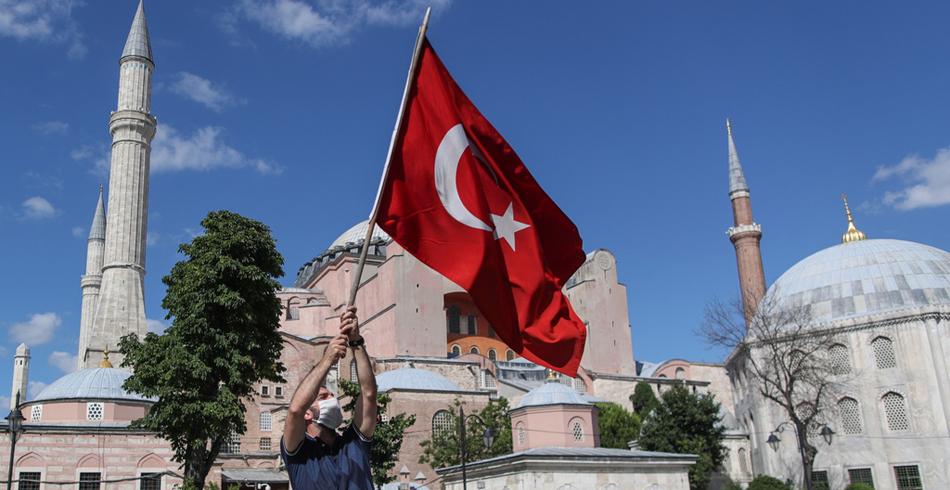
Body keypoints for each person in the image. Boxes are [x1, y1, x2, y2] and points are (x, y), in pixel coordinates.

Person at [281, 307, 378, 489]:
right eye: (323, 396)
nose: (332, 398)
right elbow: (295, 410)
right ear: (308, 414)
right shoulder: (299, 453)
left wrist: (356, 341)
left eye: (332, 394)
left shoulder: (354, 445)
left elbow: (369, 394)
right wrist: (327, 360)